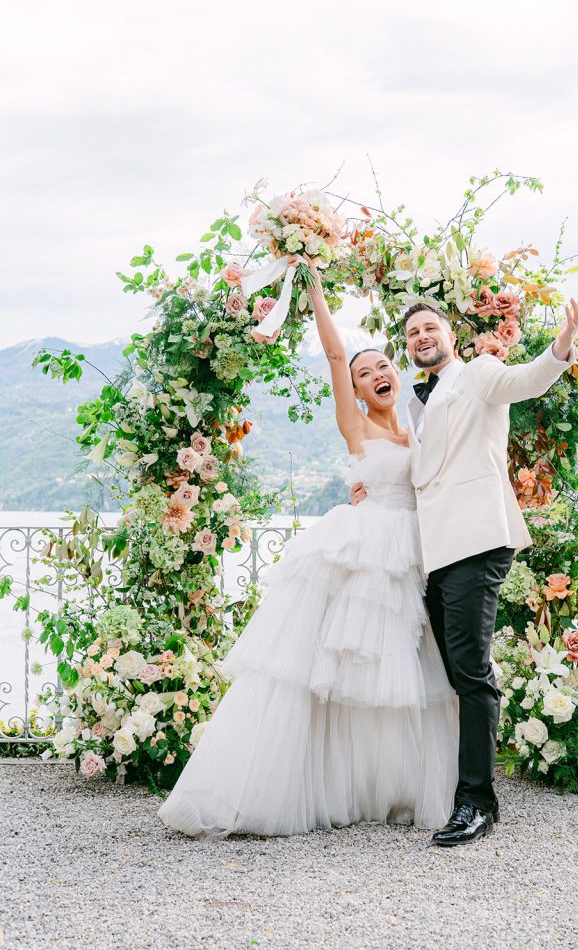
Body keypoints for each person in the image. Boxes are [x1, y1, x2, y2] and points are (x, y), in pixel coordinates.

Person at [157, 263, 458, 839]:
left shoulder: (420, 423)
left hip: (414, 548)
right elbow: (333, 355)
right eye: (365, 373)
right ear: (359, 387)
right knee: (347, 668)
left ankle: (387, 786)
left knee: (404, 668)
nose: (375, 375)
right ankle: (314, 786)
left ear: (397, 371)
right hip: (367, 547)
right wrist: (316, 288)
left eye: (383, 367)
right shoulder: (358, 428)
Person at [351, 291, 578, 846]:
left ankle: (477, 803)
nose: (420, 338)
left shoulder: (478, 373)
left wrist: (563, 343)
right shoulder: (416, 404)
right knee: (458, 672)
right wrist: (372, 483)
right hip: (435, 551)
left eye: (429, 328)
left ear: (449, 334)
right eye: (411, 335)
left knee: (471, 669)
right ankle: (464, 787)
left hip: (477, 539)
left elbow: (527, 380)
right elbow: (423, 468)